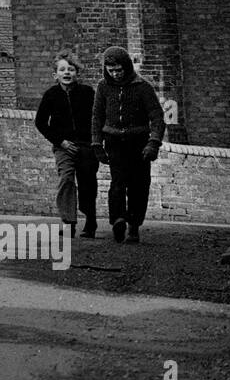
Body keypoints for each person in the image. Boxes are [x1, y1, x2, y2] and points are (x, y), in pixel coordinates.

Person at [90, 45, 165, 243]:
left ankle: (134, 225)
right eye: (110, 70)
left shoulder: (143, 87)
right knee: (117, 184)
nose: (115, 74)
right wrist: (97, 144)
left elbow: (157, 117)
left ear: (127, 67)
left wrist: (153, 143)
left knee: (139, 185)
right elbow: (97, 117)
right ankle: (118, 220)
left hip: (138, 143)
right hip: (114, 142)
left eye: (119, 70)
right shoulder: (103, 87)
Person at [34, 50, 99, 238]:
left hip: (86, 146)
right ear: (56, 75)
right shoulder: (51, 95)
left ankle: (90, 219)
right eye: (62, 70)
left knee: (88, 184)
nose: (67, 73)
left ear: (77, 73)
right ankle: (69, 221)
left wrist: (95, 142)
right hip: (63, 147)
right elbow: (40, 123)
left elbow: (97, 118)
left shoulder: (87, 93)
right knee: (66, 179)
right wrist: (60, 141)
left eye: (71, 69)